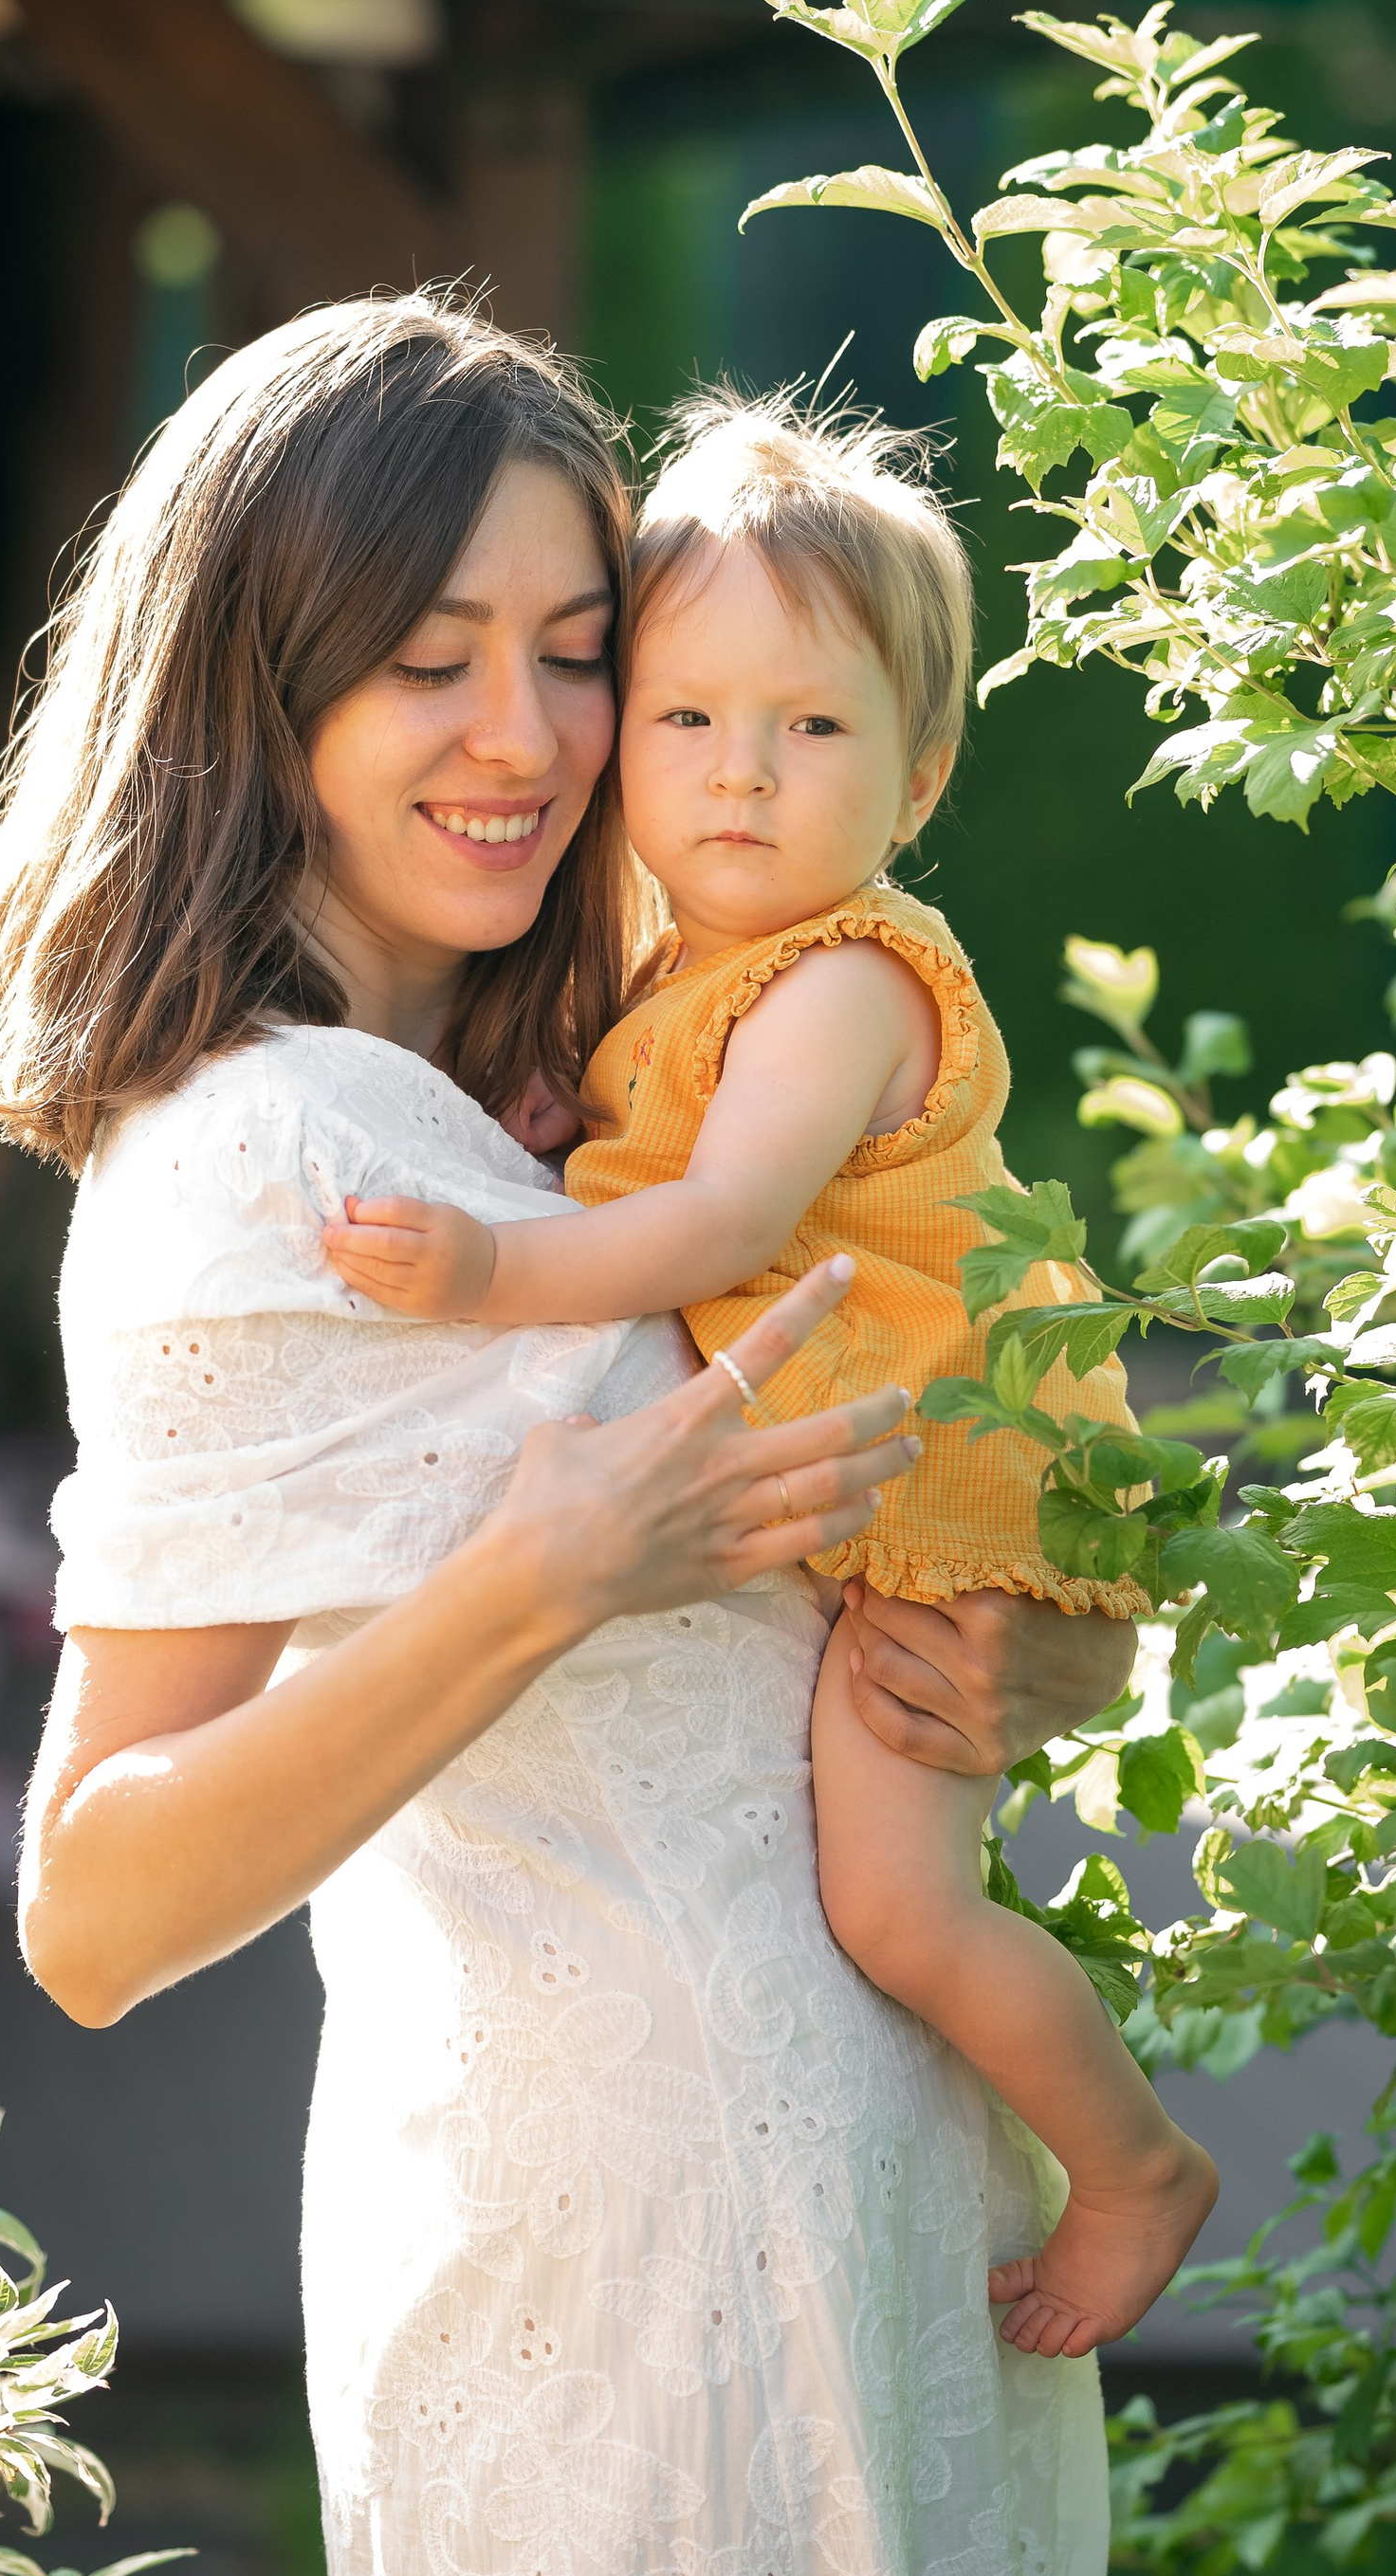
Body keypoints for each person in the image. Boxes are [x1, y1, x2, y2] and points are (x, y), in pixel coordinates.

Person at [0, 291, 1166, 2576]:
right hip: (614, 2289)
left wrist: (1033, 1673)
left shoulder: (605, 1073)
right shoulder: (258, 1161)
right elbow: (96, 1907)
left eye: (577, 649)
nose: (526, 734)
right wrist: (538, 1575)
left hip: (869, 2224)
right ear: (256, 685)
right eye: (425, 658)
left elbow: (900, 1513)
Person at [324, 394, 1218, 2362]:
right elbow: (649, 1146)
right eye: (687, 715)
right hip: (879, 1455)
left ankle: (1134, 2164)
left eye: (811, 726)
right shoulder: (679, 969)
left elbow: (719, 1215)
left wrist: (488, 1262)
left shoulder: (840, 981)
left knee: (897, 1910)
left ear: (920, 774)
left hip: (941, 1480)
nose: (739, 772)